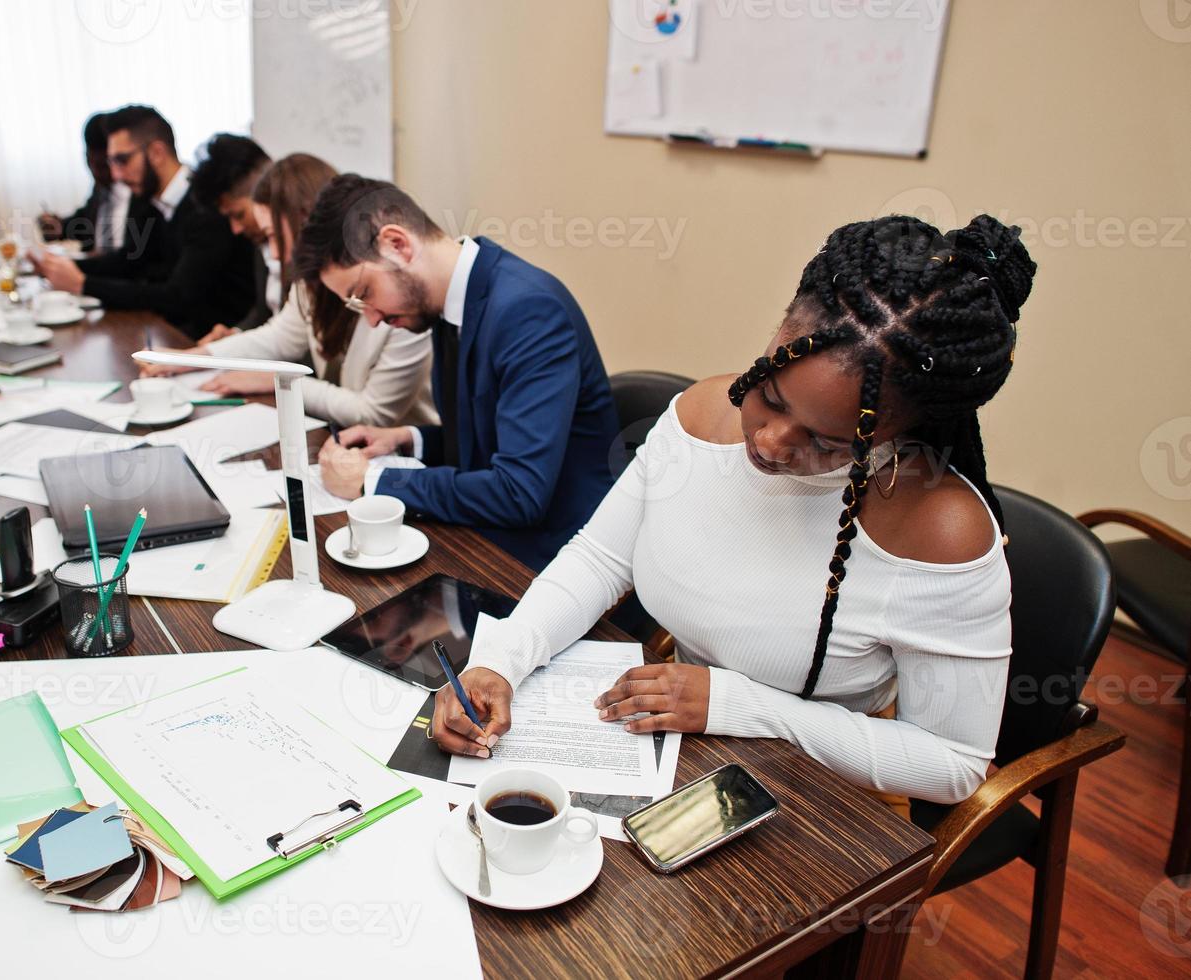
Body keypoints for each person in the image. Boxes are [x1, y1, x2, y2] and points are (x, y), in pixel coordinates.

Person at [431, 214, 1035, 815]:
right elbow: (600, 557)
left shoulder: (939, 530)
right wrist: (499, 662)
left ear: (901, 430)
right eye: (768, 394)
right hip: (681, 754)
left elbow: (955, 764)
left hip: (826, 800)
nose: (770, 443)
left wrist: (737, 705)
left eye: (827, 443)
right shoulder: (699, 417)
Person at [299, 175, 619, 571]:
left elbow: (518, 493)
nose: (373, 318)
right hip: (492, 534)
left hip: (557, 558)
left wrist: (374, 482)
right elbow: (485, 441)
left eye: (364, 293)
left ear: (397, 245)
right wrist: (407, 440)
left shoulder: (528, 312)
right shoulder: (448, 305)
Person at [142, 155, 436, 428]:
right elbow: (278, 338)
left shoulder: (400, 298)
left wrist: (278, 380)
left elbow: (372, 414)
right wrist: (195, 358)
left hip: (408, 455)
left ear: (305, 219)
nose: (275, 254)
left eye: (272, 236)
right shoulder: (314, 285)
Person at [30, 105, 255, 339]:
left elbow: (178, 297)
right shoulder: (151, 202)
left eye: (122, 160)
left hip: (215, 343)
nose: (116, 175)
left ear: (157, 152)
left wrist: (83, 284)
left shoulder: (205, 206)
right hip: (174, 334)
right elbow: (129, 261)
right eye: (111, 163)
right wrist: (58, 267)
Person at [189, 133, 274, 338]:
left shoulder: (312, 244)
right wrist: (234, 335)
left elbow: (295, 336)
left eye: (238, 215)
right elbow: (265, 311)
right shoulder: (260, 240)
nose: (236, 229)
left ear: (264, 189)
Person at [36, 112, 136, 254]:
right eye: (89, 163)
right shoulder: (101, 187)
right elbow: (85, 222)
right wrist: (58, 227)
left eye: (102, 166)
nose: (95, 173)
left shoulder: (139, 191)